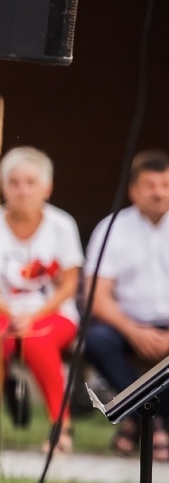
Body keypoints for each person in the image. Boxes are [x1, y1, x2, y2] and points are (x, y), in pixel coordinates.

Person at [0, 146, 85, 453]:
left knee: (36, 339)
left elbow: (70, 284)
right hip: (2, 311)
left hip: (52, 313)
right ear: (3, 186)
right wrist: (10, 311)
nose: (22, 190)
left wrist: (32, 317)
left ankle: (61, 426)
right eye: (14, 182)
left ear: (47, 187)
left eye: (31, 182)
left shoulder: (62, 225)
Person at [83, 150, 169, 459]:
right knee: (95, 340)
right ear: (133, 190)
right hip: (124, 323)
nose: (159, 192)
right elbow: (96, 294)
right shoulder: (113, 228)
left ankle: (141, 422)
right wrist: (133, 331)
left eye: (165, 184)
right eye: (150, 185)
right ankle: (154, 422)